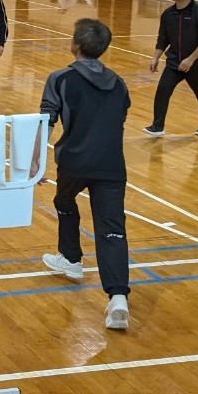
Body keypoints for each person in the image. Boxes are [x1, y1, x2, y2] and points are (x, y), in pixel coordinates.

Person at [32, 18, 132, 331]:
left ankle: (72, 258)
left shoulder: (60, 78)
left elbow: (46, 121)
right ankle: (118, 297)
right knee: (112, 229)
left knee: (64, 201)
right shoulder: (119, 83)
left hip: (74, 162)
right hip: (112, 165)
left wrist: (36, 163)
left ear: (75, 44)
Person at [146, 0, 198, 137]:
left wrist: (190, 60)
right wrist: (155, 57)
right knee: (163, 90)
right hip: (174, 63)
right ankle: (157, 126)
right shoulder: (168, 14)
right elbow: (163, 38)